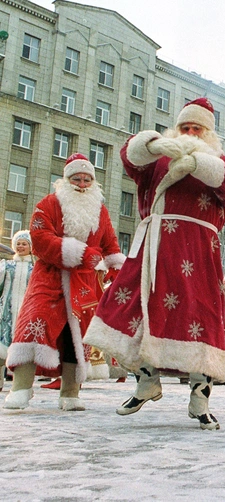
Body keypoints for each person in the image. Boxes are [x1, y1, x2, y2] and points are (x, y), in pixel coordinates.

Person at [84, 98, 225, 430]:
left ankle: (200, 397)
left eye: (195, 128)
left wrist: (197, 161)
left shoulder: (221, 163)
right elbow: (129, 155)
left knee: (199, 315)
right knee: (129, 311)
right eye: (184, 127)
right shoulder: (157, 161)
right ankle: (146, 381)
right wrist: (154, 142)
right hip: (152, 247)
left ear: (208, 134)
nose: (188, 132)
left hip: (197, 251)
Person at [3, 154, 124, 410]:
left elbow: (110, 242)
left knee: (76, 337)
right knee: (33, 324)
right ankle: (21, 388)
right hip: (49, 277)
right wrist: (80, 253)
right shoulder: (48, 204)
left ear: (93, 182)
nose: (82, 184)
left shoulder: (100, 210)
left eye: (87, 179)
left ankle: (70, 393)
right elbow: (40, 237)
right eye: (77, 178)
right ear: (66, 180)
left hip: (84, 283)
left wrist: (118, 266)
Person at [0, 230, 34, 388]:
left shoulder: (34, 268)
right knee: (2, 344)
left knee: (21, 345)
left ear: (30, 247)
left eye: (24, 244)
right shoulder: (6, 265)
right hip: (6, 309)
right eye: (18, 244)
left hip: (27, 311)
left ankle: (20, 384)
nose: (20, 247)